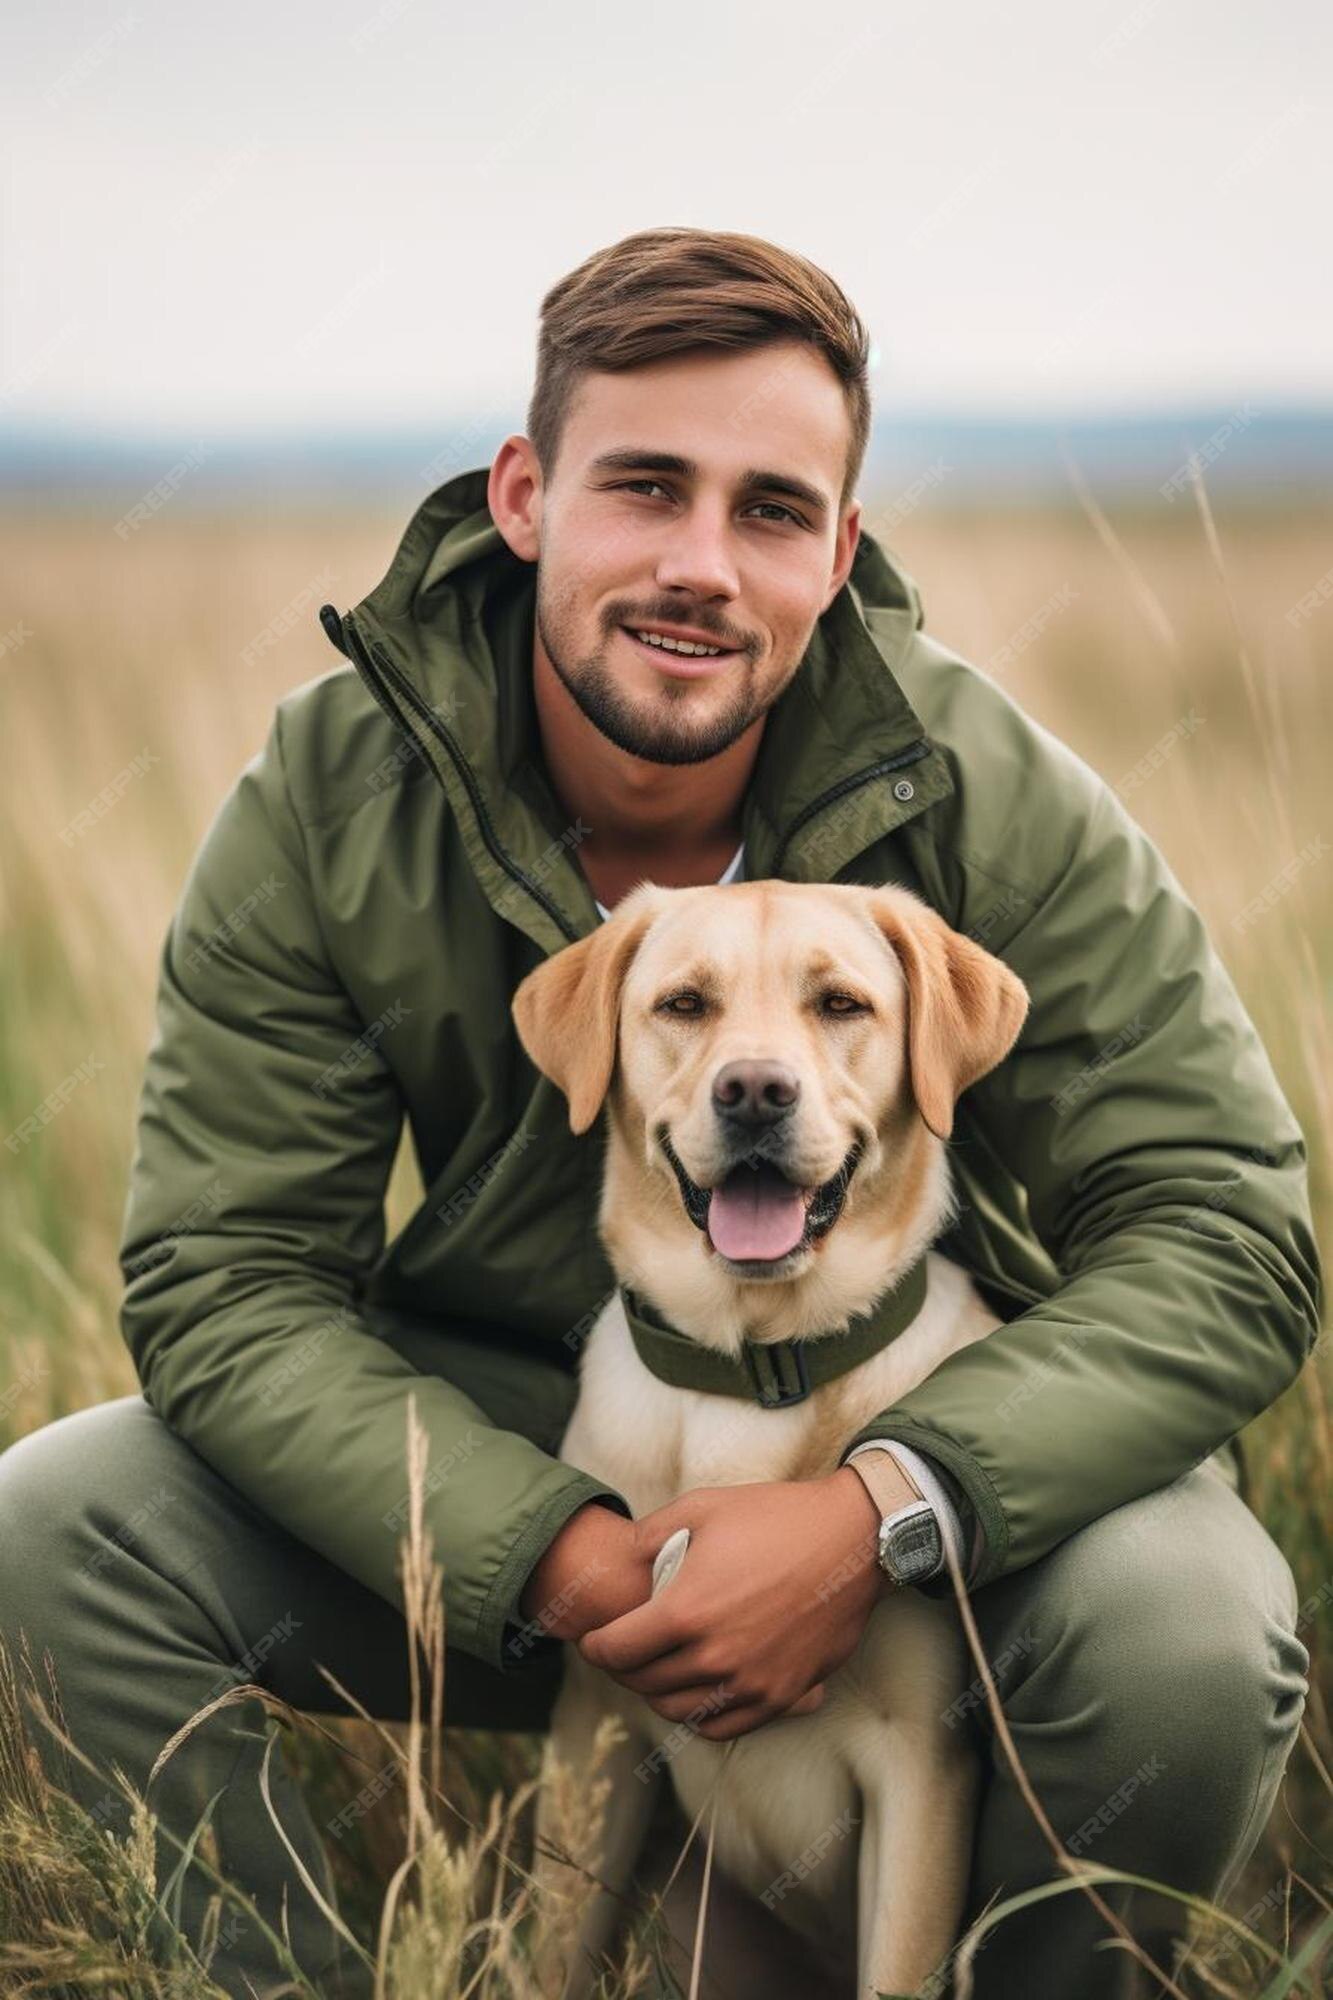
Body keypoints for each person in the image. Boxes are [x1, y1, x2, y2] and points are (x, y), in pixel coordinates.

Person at [0, 226, 1318, 2000]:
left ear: (838, 548)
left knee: (1183, 1629)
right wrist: (544, 1545)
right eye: (645, 488)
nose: (704, 565)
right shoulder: (326, 800)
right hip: (513, 1468)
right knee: (57, 1523)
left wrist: (886, 1510)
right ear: (527, 492)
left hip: (917, 1451)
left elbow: (1225, 1229)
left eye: (771, 510)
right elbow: (224, 1287)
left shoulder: (979, 787)